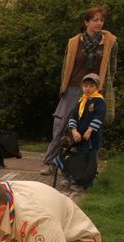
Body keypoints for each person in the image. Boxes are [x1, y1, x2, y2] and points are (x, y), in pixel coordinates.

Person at [41, 6, 117, 175]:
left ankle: (90, 168)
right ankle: (52, 162)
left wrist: (103, 90)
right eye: (95, 20)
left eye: (101, 20)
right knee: (61, 125)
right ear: (86, 22)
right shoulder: (75, 42)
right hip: (74, 87)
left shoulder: (110, 43)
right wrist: (63, 88)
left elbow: (112, 68)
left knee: (92, 129)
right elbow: (65, 67)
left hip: (95, 90)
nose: (98, 23)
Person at [65, 73, 106, 191]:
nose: (88, 88)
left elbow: (99, 117)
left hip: (92, 139)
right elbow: (73, 116)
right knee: (81, 159)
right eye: (85, 86)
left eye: (91, 86)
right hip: (80, 138)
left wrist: (89, 130)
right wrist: (73, 131)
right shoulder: (81, 101)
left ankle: (88, 183)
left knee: (91, 161)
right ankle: (79, 180)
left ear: (97, 87)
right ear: (82, 87)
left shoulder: (99, 101)